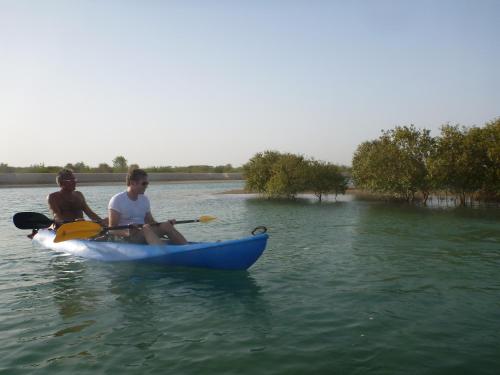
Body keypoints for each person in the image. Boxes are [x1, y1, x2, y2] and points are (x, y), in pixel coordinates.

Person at [108, 168, 187, 245]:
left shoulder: (144, 199)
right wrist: (127, 232)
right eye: (144, 183)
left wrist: (166, 223)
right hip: (127, 238)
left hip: (143, 233)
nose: (146, 186)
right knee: (146, 228)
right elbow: (112, 230)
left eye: (147, 183)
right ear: (132, 183)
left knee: (166, 225)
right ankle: (163, 253)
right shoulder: (117, 200)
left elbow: (151, 222)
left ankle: (187, 247)